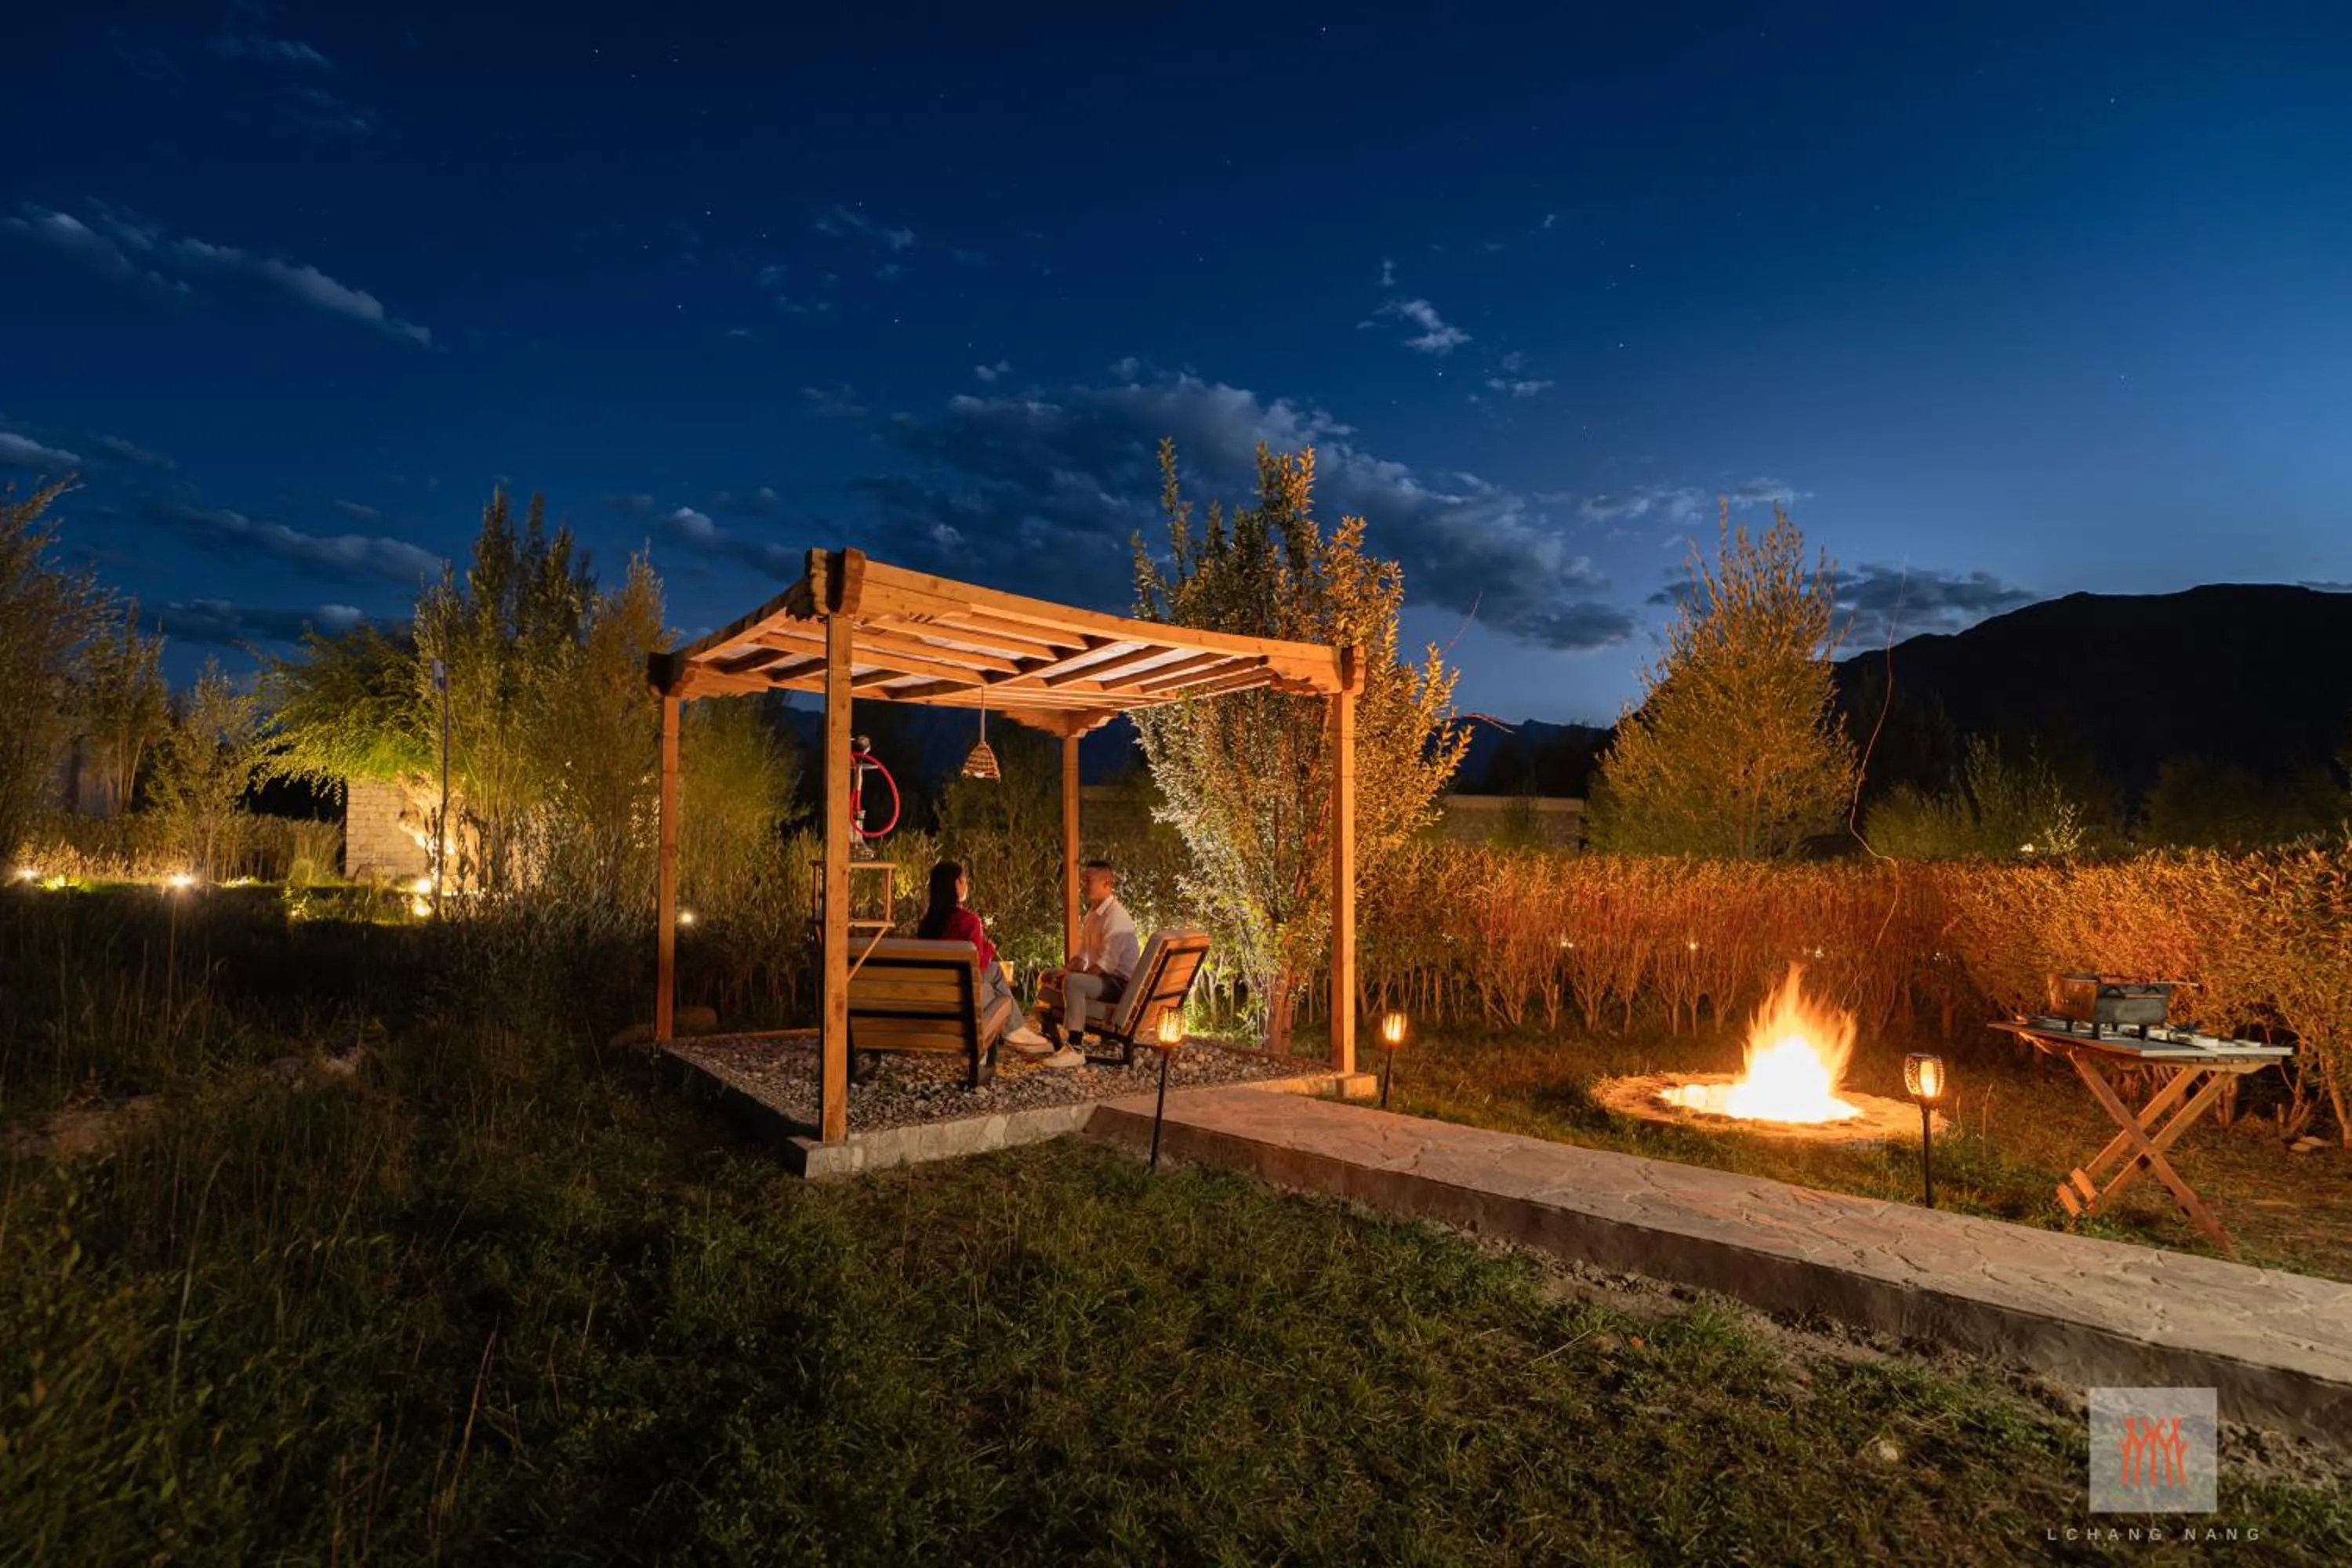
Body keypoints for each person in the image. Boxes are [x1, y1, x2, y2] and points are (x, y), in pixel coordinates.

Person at [915, 861, 1052, 1055]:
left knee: (995, 969)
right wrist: (988, 948)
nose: (966, 884)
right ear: (956, 884)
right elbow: (976, 968)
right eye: (964, 880)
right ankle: (1015, 1032)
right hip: (962, 994)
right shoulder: (968, 921)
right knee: (999, 994)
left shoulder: (927, 924)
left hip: (935, 991)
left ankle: (1017, 1031)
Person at [1036, 858, 1140, 1062]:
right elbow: (1082, 957)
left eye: (1088, 881)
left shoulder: (1117, 917)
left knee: (1074, 983)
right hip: (1103, 980)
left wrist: (1072, 978)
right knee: (1049, 976)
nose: (1084, 886)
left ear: (1107, 883)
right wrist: (1064, 970)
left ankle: (1075, 1048)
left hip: (1119, 985)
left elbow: (1105, 966)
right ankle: (1049, 1040)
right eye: (1084, 881)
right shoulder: (1093, 916)